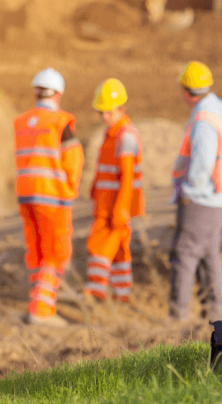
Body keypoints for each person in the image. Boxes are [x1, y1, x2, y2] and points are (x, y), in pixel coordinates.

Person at [169, 61, 222, 321]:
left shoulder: (204, 120)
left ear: (187, 92)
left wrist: (190, 190)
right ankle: (215, 312)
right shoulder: (215, 112)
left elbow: (202, 163)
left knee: (186, 255)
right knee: (208, 255)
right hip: (218, 198)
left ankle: (178, 317)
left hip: (204, 199)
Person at [13, 68, 83, 327]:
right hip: (52, 197)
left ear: (36, 91)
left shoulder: (22, 121)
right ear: (59, 93)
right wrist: (69, 192)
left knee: (37, 253)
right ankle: (41, 311)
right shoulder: (60, 122)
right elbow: (73, 162)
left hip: (25, 196)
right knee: (56, 253)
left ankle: (37, 302)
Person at [85, 79, 144, 303]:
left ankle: (95, 289)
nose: (104, 117)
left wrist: (121, 206)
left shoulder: (125, 135)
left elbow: (127, 175)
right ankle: (122, 293)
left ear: (121, 109)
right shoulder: (112, 134)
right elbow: (104, 171)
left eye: (108, 112)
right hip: (107, 203)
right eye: (101, 112)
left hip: (114, 206)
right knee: (119, 249)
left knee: (99, 244)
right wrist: (94, 191)